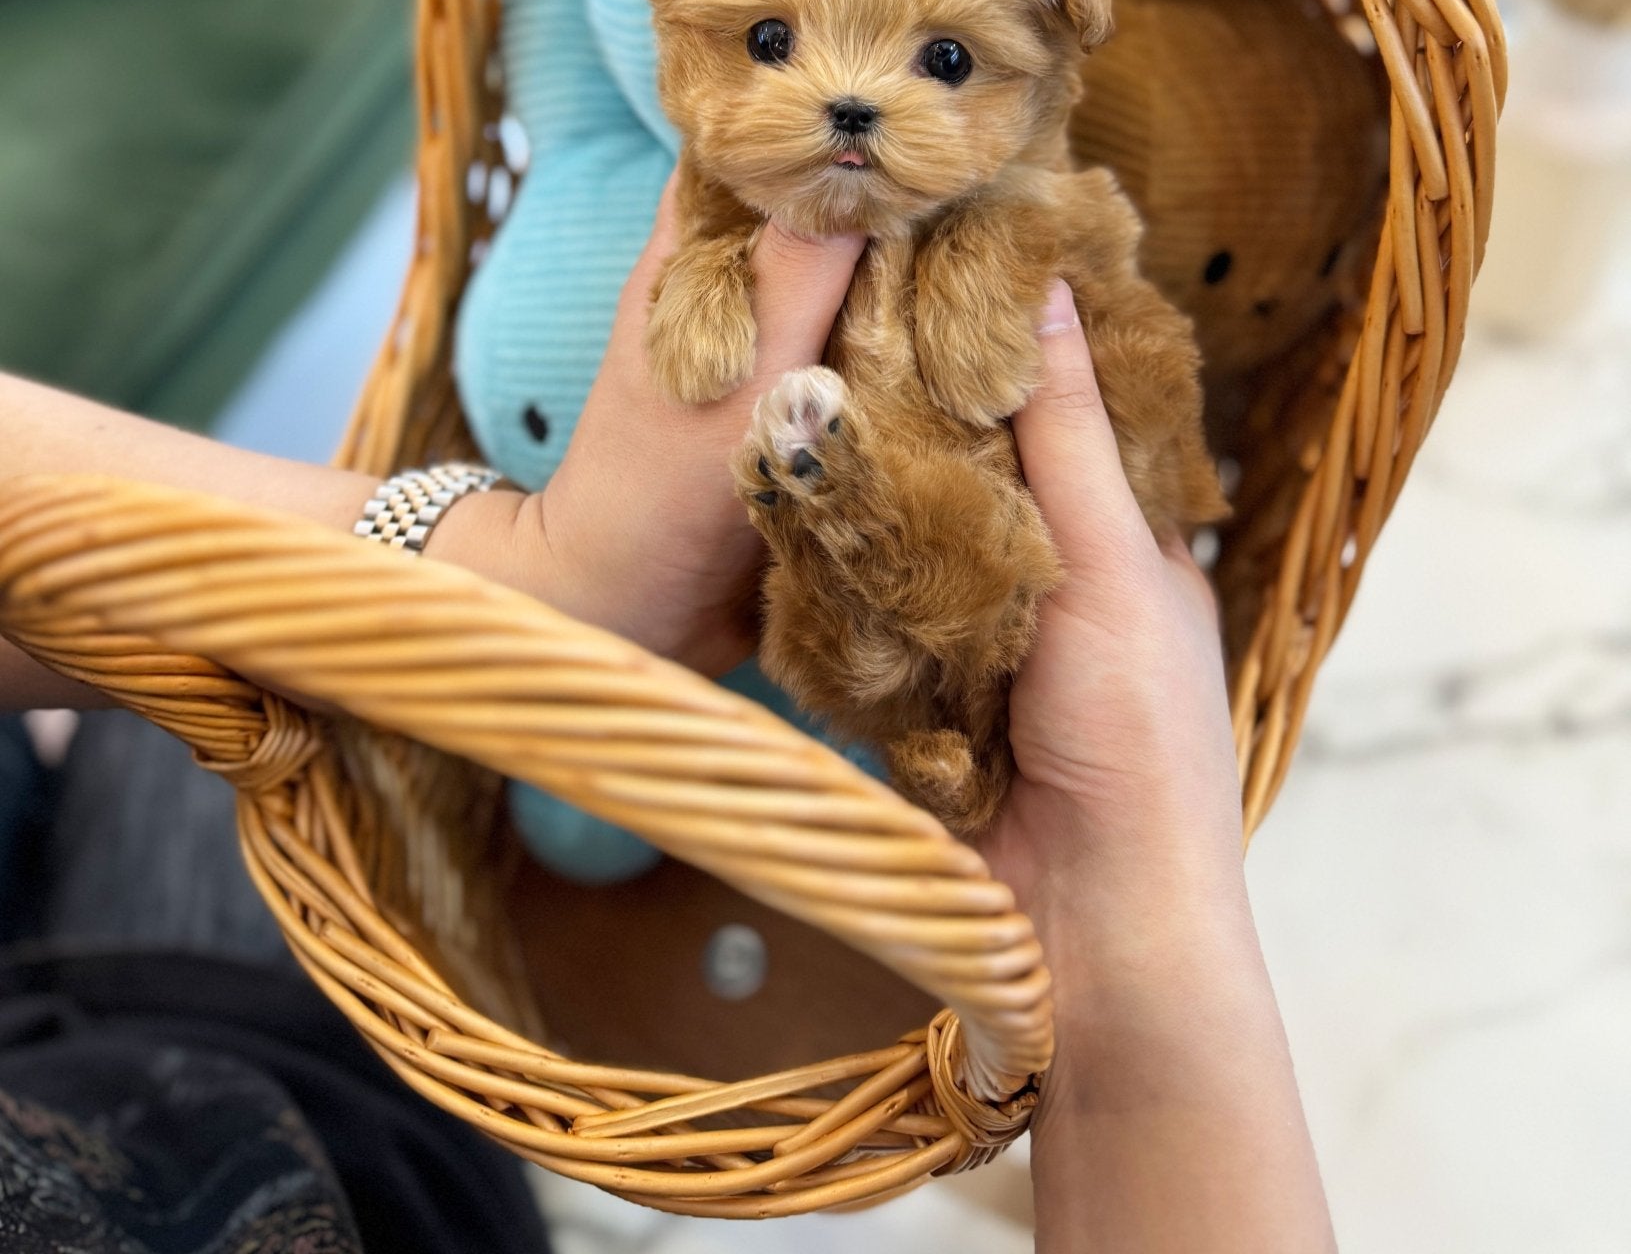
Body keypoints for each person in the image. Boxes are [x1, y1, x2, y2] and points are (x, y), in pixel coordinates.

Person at [0, 188, 1337, 1252]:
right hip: (293, 1130)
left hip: (96, 1070)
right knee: (226, 725)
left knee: (209, 672)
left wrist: (519, 573)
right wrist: (1133, 917)